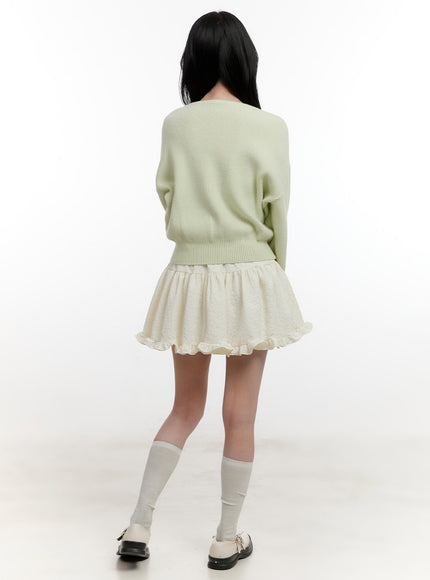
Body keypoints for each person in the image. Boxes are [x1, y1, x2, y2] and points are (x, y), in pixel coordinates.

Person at [116, 10, 313, 570]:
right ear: (246, 60)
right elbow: (277, 209)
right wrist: (272, 277)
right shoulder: (269, 126)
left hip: (188, 275)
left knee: (185, 407)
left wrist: (196, 241)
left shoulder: (176, 124)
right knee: (239, 413)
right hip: (253, 273)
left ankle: (139, 524)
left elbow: (167, 196)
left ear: (193, 61)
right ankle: (226, 538)